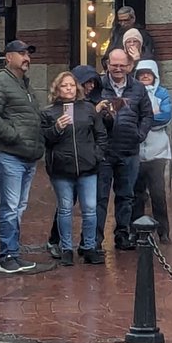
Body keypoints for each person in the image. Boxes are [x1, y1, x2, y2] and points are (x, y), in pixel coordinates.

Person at [0, 40, 44, 274]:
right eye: (21, 53)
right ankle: (7, 255)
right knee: (9, 207)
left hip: (27, 156)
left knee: (18, 207)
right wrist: (14, 137)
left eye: (28, 53)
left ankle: (13, 253)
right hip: (9, 155)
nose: (27, 57)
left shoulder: (24, 85)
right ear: (8, 57)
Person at [42, 71, 107, 266]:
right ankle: (66, 249)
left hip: (88, 167)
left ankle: (89, 247)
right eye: (64, 86)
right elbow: (44, 139)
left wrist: (96, 155)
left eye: (71, 85)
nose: (69, 89)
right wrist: (56, 128)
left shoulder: (88, 109)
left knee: (89, 209)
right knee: (65, 209)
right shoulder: (49, 112)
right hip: (62, 170)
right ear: (57, 89)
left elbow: (100, 135)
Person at [96, 48, 154, 251]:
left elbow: (147, 115)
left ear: (129, 66)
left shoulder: (138, 88)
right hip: (104, 150)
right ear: (107, 65)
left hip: (129, 150)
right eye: (114, 65)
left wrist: (140, 134)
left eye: (122, 65)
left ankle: (122, 235)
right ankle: (95, 239)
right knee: (100, 197)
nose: (118, 69)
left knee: (126, 196)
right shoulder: (97, 86)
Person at [132, 59, 172, 244]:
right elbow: (128, 117)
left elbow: (165, 117)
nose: (145, 76)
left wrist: (144, 119)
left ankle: (163, 232)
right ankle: (135, 231)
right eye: (141, 74)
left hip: (158, 152)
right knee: (137, 195)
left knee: (158, 194)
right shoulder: (132, 94)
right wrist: (150, 117)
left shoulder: (162, 93)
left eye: (148, 73)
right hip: (137, 152)